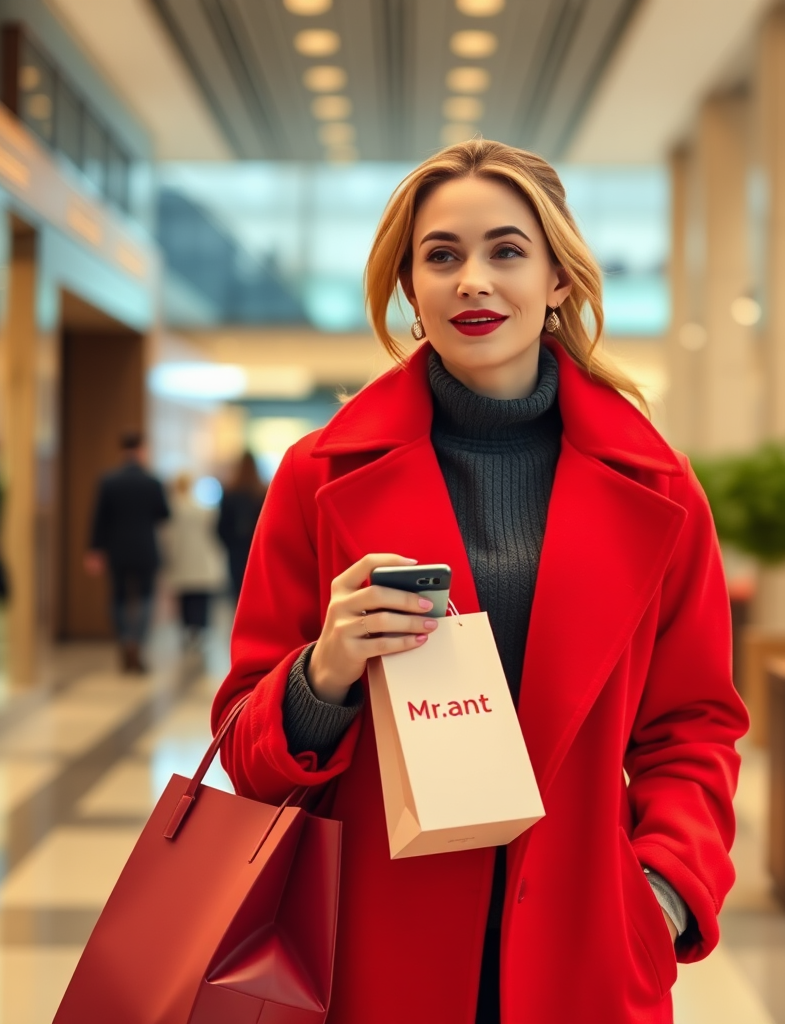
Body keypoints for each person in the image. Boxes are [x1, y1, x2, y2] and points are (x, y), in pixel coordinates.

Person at [212, 140, 748, 1024]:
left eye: (506, 251)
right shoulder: (317, 477)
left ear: (559, 281)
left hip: (586, 939)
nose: (473, 280)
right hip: (376, 943)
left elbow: (693, 725)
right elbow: (244, 746)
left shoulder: (660, 488)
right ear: (409, 289)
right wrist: (324, 672)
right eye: (442, 256)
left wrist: (665, 894)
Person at [85, 431, 169, 673]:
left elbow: (99, 519)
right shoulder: (152, 481)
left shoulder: (108, 481)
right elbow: (164, 514)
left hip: (117, 548)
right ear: (142, 449)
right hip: (145, 548)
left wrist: (94, 550)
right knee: (145, 596)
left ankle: (124, 640)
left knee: (118, 596)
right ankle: (137, 644)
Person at [162, 473, 226, 650]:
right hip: (201, 558)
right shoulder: (202, 509)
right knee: (200, 597)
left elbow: (168, 537)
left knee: (185, 598)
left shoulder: (171, 509)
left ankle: (187, 629)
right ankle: (199, 631)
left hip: (181, 558)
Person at [216, 452, 266, 603]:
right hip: (257, 551)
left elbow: (220, 527)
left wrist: (230, 545)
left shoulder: (230, 492)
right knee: (258, 594)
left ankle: (240, 624)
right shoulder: (263, 492)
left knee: (238, 595)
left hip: (236, 551)